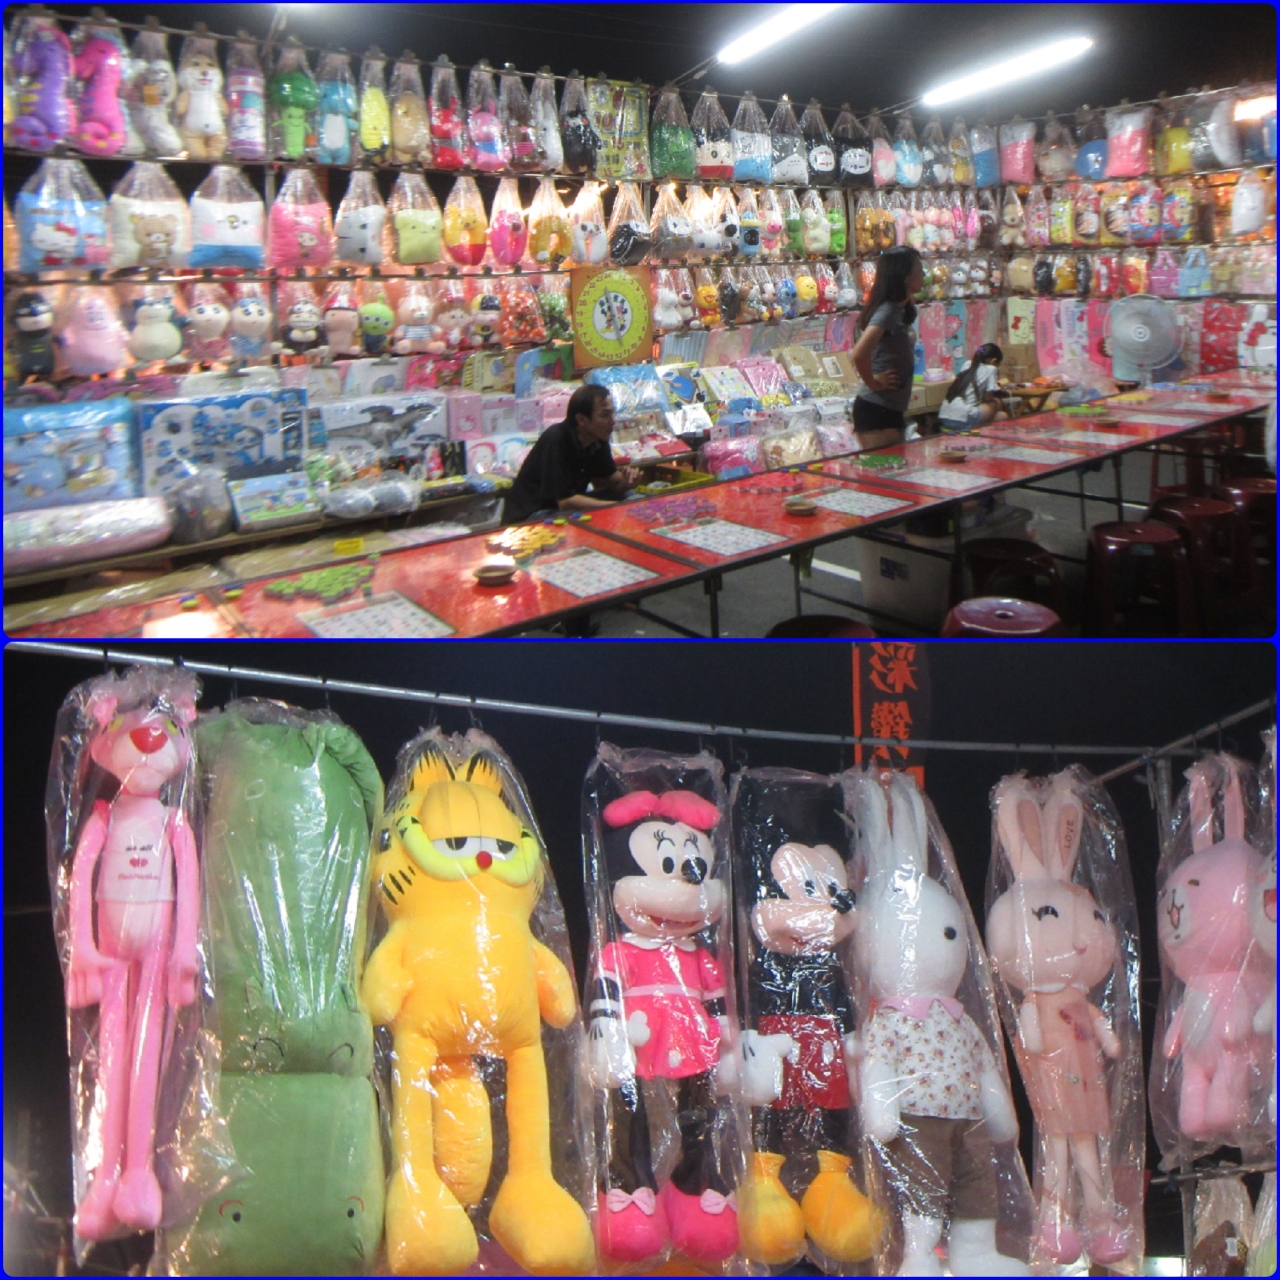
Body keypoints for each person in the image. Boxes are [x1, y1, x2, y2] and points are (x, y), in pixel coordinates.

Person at [503, 383, 641, 524]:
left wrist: (628, 481)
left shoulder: (598, 438)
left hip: (563, 507)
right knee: (613, 509)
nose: (612, 421)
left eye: (612, 413)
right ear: (581, 420)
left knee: (630, 495)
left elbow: (614, 481)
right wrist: (615, 507)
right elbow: (565, 501)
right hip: (533, 514)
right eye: (605, 415)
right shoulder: (557, 439)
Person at [850, 246, 924, 450]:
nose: (923, 275)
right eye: (919, 270)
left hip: (891, 409)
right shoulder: (889, 310)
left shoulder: (899, 309)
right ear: (904, 276)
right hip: (877, 410)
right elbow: (859, 354)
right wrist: (873, 383)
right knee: (886, 467)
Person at [937, 343, 1009, 431]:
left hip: (945, 417)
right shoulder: (991, 368)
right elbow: (988, 398)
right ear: (994, 361)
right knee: (997, 402)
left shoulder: (967, 364)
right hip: (963, 418)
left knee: (1002, 416)